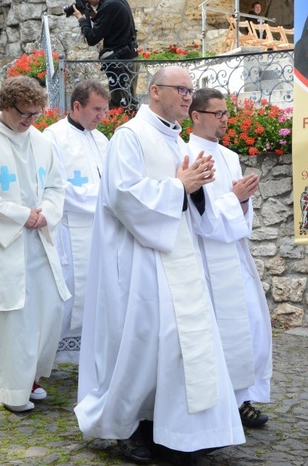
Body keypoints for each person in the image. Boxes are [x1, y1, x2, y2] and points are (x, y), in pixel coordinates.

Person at [75, 67, 244, 464]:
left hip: (175, 258)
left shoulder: (174, 139)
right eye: (181, 89)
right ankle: (127, 427)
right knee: (140, 347)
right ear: (155, 92)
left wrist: (195, 191)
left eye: (190, 90)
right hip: (139, 263)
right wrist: (179, 187)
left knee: (176, 348)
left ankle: (175, 429)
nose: (188, 96)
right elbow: (123, 196)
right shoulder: (130, 136)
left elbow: (187, 201)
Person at [0, 76, 69, 412]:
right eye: (24, 114)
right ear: (6, 107)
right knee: (12, 314)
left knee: (46, 309)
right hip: (2, 244)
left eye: (36, 114)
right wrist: (21, 215)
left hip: (37, 239)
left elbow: (56, 186)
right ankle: (11, 390)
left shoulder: (40, 142)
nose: (30, 121)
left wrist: (46, 213)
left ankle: (32, 377)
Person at [186, 88, 273, 429]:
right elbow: (198, 215)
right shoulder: (187, 154)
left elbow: (238, 212)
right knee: (218, 330)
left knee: (249, 325)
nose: (225, 120)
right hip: (207, 256)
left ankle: (243, 399)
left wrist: (243, 201)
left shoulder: (230, 156)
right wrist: (233, 198)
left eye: (226, 113)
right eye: (218, 114)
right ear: (196, 116)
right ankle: (222, 404)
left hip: (233, 252)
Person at [43, 80, 110, 363]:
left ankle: (91, 358)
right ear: (77, 106)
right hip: (69, 233)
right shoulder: (52, 137)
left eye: (105, 111)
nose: (101, 116)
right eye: (96, 110)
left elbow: (111, 182)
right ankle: (48, 358)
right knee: (66, 297)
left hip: (99, 230)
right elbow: (57, 187)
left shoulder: (102, 140)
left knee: (99, 295)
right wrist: (103, 197)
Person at [72, 0, 139, 111]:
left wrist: (81, 19)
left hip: (121, 62)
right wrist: (91, 14)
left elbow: (92, 38)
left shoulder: (108, 5)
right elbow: (105, 24)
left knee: (120, 105)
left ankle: (120, 130)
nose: (86, 0)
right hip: (128, 58)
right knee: (128, 102)